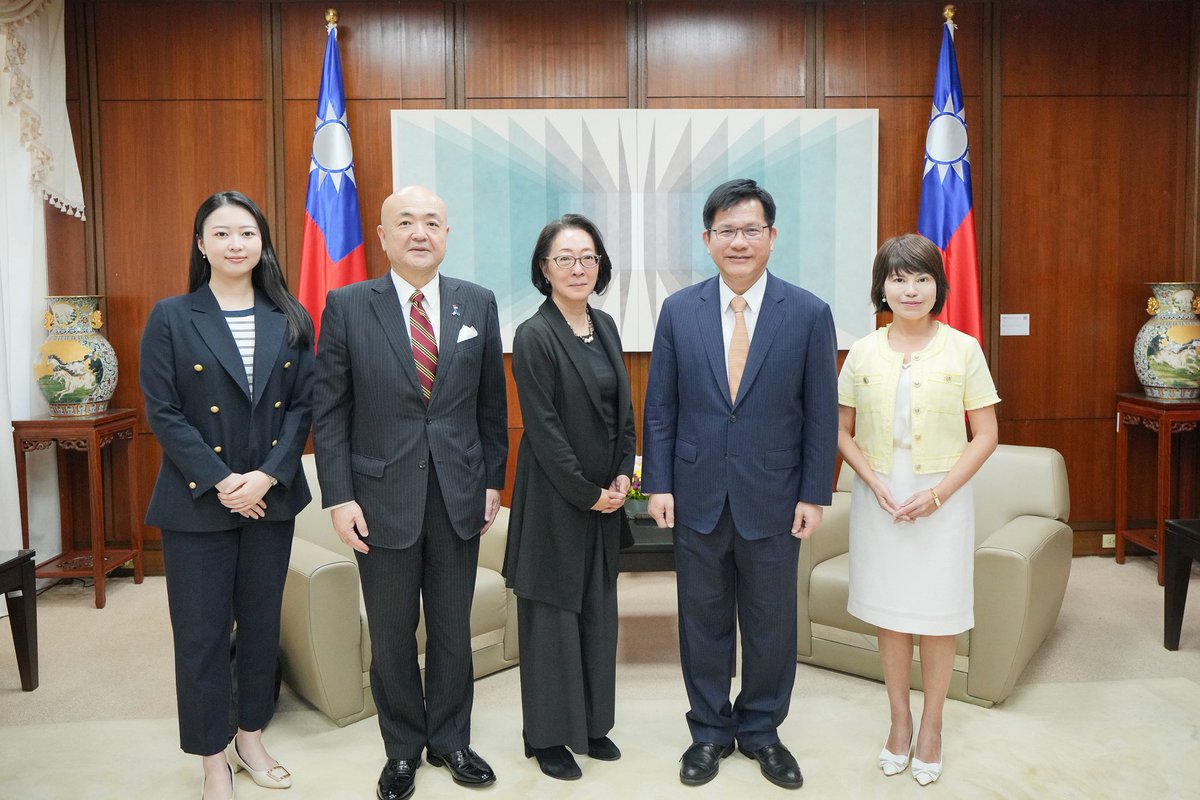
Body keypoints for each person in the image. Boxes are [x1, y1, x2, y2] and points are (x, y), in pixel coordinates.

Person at [311, 185, 508, 800]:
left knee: (452, 626)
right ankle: (402, 749)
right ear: (384, 236)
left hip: (458, 494)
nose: (420, 232)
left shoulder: (477, 301)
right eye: (406, 222)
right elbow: (331, 411)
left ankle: (451, 739)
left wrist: (492, 482)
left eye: (432, 223)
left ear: (446, 235)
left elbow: (491, 408)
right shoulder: (346, 305)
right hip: (377, 498)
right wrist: (339, 496)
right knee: (393, 631)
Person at [642, 178, 838, 790]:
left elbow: (821, 413)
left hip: (776, 497)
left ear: (772, 238)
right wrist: (661, 484)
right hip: (696, 493)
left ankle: (761, 729)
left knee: (770, 621)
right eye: (726, 230)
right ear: (707, 240)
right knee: (701, 619)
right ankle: (707, 730)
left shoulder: (807, 313)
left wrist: (814, 492)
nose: (739, 241)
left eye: (751, 229)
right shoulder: (680, 310)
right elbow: (661, 407)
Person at [140, 190, 314, 800]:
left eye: (246, 233)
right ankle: (213, 757)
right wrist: (221, 482)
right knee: (202, 633)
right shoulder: (172, 315)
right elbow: (163, 412)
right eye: (221, 233)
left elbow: (301, 408)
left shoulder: (291, 316)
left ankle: (251, 736)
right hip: (196, 504)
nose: (235, 243)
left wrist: (266, 476)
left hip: (270, 499)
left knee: (263, 626)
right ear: (201, 244)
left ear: (262, 243)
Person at [835, 233, 998, 787]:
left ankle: (933, 725)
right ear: (882, 286)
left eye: (921, 277)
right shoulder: (862, 351)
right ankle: (899, 721)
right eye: (898, 278)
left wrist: (937, 494)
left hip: (941, 496)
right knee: (892, 612)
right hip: (879, 493)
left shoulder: (964, 348)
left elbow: (987, 434)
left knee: (937, 613)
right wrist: (875, 484)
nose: (910, 289)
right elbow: (840, 431)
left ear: (938, 285)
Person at [503, 214, 636, 781]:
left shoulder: (603, 325)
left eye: (588, 257)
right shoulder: (533, 335)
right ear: (544, 269)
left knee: (598, 612)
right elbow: (545, 429)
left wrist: (624, 477)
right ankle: (549, 736)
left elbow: (623, 411)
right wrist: (587, 493)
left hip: (605, 496)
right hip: (558, 499)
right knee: (552, 615)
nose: (578, 268)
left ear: (600, 265)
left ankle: (591, 725)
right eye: (565, 258)